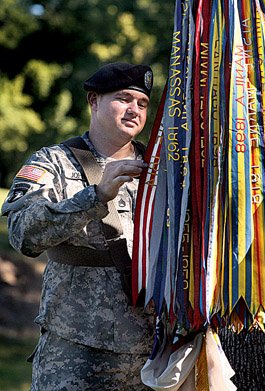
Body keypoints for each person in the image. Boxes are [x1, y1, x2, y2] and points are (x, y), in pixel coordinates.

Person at [1, 62, 155, 390]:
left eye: (142, 103)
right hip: (76, 353)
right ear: (94, 100)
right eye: (124, 98)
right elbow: (23, 234)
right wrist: (94, 197)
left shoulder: (160, 171)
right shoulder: (54, 162)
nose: (134, 109)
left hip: (154, 356)